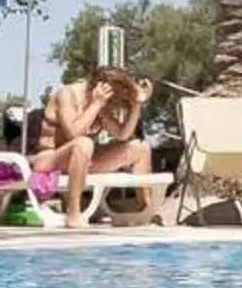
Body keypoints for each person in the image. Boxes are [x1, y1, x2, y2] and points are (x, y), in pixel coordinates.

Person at [32, 67, 155, 228]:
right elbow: (72, 134)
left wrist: (136, 105)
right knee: (83, 143)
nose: (113, 105)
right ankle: (73, 212)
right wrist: (96, 104)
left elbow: (123, 135)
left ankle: (145, 211)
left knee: (140, 148)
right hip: (51, 160)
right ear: (99, 88)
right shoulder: (67, 95)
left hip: (83, 160)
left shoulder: (102, 106)